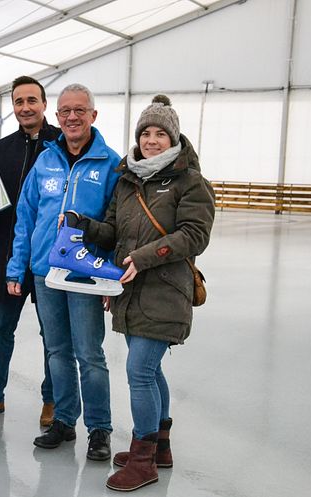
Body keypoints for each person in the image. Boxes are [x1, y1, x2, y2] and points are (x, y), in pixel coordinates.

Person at [71, 95, 215, 491]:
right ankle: (159, 448)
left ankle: (143, 459)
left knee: (139, 371)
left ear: (174, 137)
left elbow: (194, 235)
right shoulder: (129, 179)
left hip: (166, 290)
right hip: (131, 289)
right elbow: (114, 231)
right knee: (151, 369)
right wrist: (85, 225)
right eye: (146, 133)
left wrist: (146, 255)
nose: (152, 140)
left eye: (160, 133)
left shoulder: (191, 182)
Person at [6, 83, 122, 461]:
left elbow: (118, 224)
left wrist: (111, 277)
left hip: (86, 274)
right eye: (65, 111)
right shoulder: (46, 161)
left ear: (93, 115)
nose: (72, 117)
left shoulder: (111, 164)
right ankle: (64, 420)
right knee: (57, 350)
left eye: (80, 110)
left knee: (90, 353)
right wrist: (16, 266)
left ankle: (100, 429)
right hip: (45, 271)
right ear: (57, 117)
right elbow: (25, 217)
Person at [0, 76, 60, 426]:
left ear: (43, 104)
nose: (25, 107)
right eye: (18, 101)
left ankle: (52, 401)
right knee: (1, 330)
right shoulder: (0, 148)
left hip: (48, 258)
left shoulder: (60, 143)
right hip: (6, 256)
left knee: (52, 335)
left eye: (31, 100)